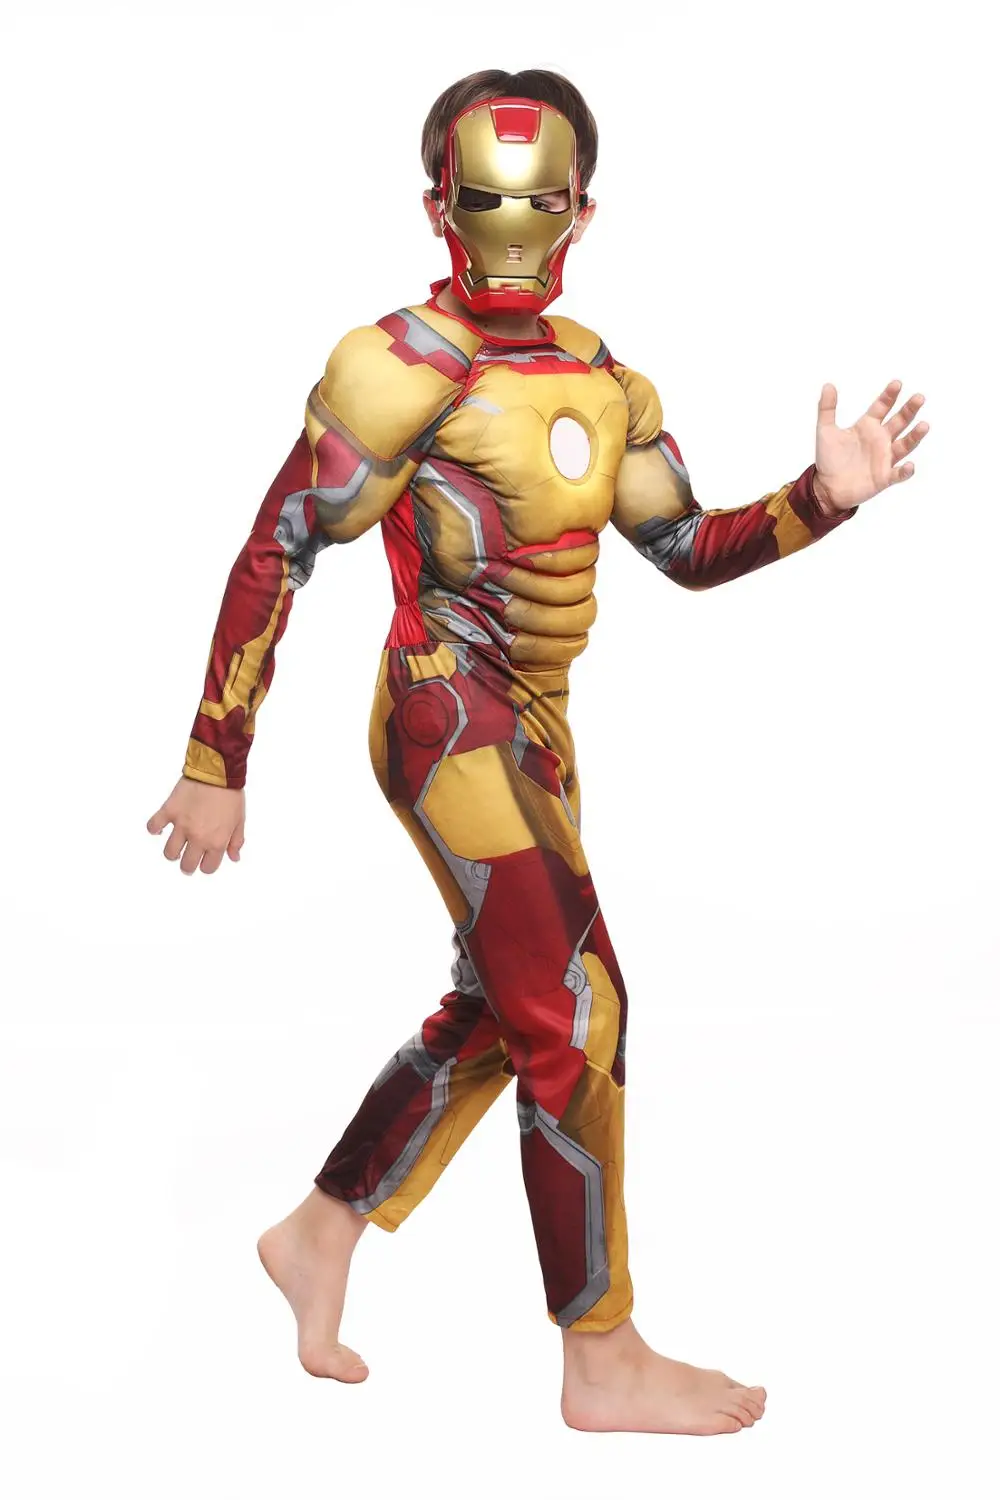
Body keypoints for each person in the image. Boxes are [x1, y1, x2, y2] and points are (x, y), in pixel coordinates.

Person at [146, 68, 929, 1436]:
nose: (511, 229)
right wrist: (218, 757)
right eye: (483, 199)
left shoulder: (602, 377)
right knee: (578, 1003)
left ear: (583, 210)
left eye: (539, 202)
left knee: (512, 1001)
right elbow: (280, 544)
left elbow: (684, 546)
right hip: (446, 716)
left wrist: (821, 498)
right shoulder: (399, 367)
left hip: (538, 730)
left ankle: (319, 1231)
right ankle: (600, 1355)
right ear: (436, 207)